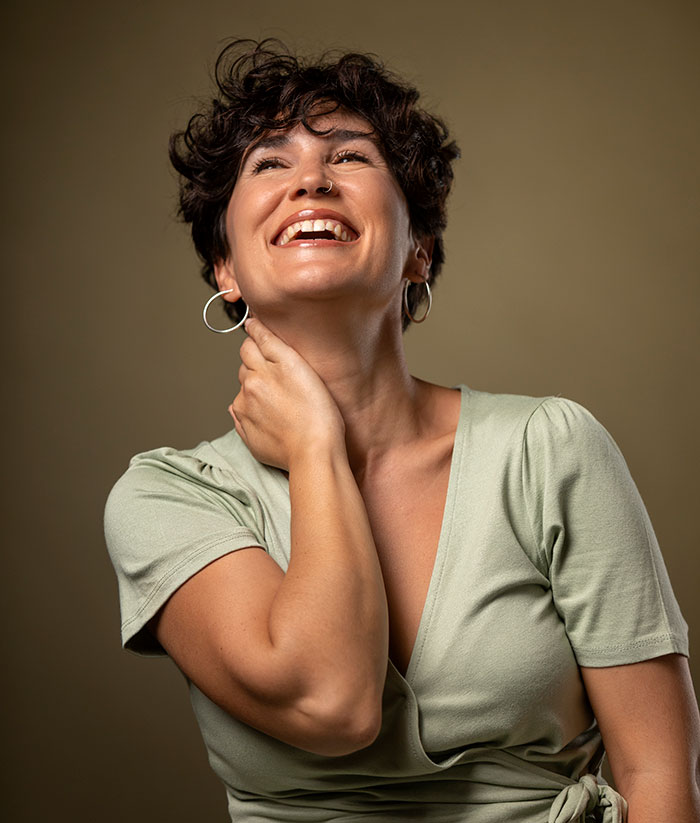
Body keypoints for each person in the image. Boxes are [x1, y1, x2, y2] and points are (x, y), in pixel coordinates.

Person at [104, 38, 700, 822]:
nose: (310, 178)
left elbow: (658, 770)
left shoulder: (549, 448)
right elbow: (334, 703)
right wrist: (319, 447)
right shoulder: (167, 498)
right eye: (269, 164)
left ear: (418, 250)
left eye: (350, 157)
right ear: (227, 269)